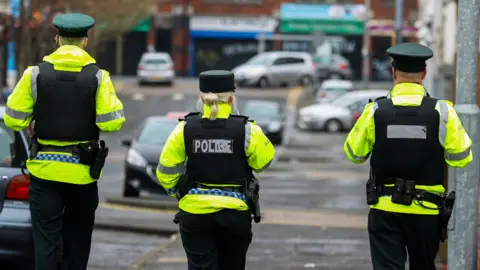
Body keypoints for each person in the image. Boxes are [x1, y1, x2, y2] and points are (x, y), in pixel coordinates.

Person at [4, 13, 125, 270]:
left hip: (44, 174)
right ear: (85, 41)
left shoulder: (35, 74)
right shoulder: (98, 77)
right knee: (78, 244)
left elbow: (13, 119)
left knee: (45, 243)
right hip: (82, 175)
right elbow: (112, 122)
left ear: (57, 39)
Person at [344, 42, 472, 270]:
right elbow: (461, 157)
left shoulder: (375, 111)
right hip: (426, 212)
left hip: (385, 209)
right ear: (424, 74)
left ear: (394, 73)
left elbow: (355, 154)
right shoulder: (442, 111)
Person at [156, 70, 275, 270]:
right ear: (231, 98)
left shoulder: (184, 128)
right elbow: (263, 163)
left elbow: (165, 171)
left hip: (194, 215)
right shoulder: (247, 129)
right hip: (234, 215)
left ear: (201, 98)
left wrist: (178, 193)